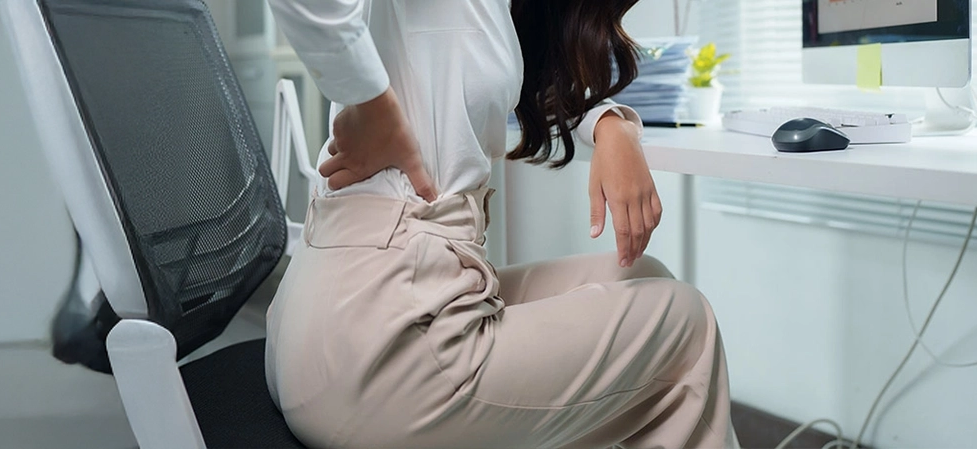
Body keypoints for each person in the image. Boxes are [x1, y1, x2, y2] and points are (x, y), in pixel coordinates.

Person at [264, 0, 741, 447]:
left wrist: (612, 124)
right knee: (688, 326)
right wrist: (370, 101)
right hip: (374, 349)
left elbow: (529, 76)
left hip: (352, 314)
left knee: (639, 278)